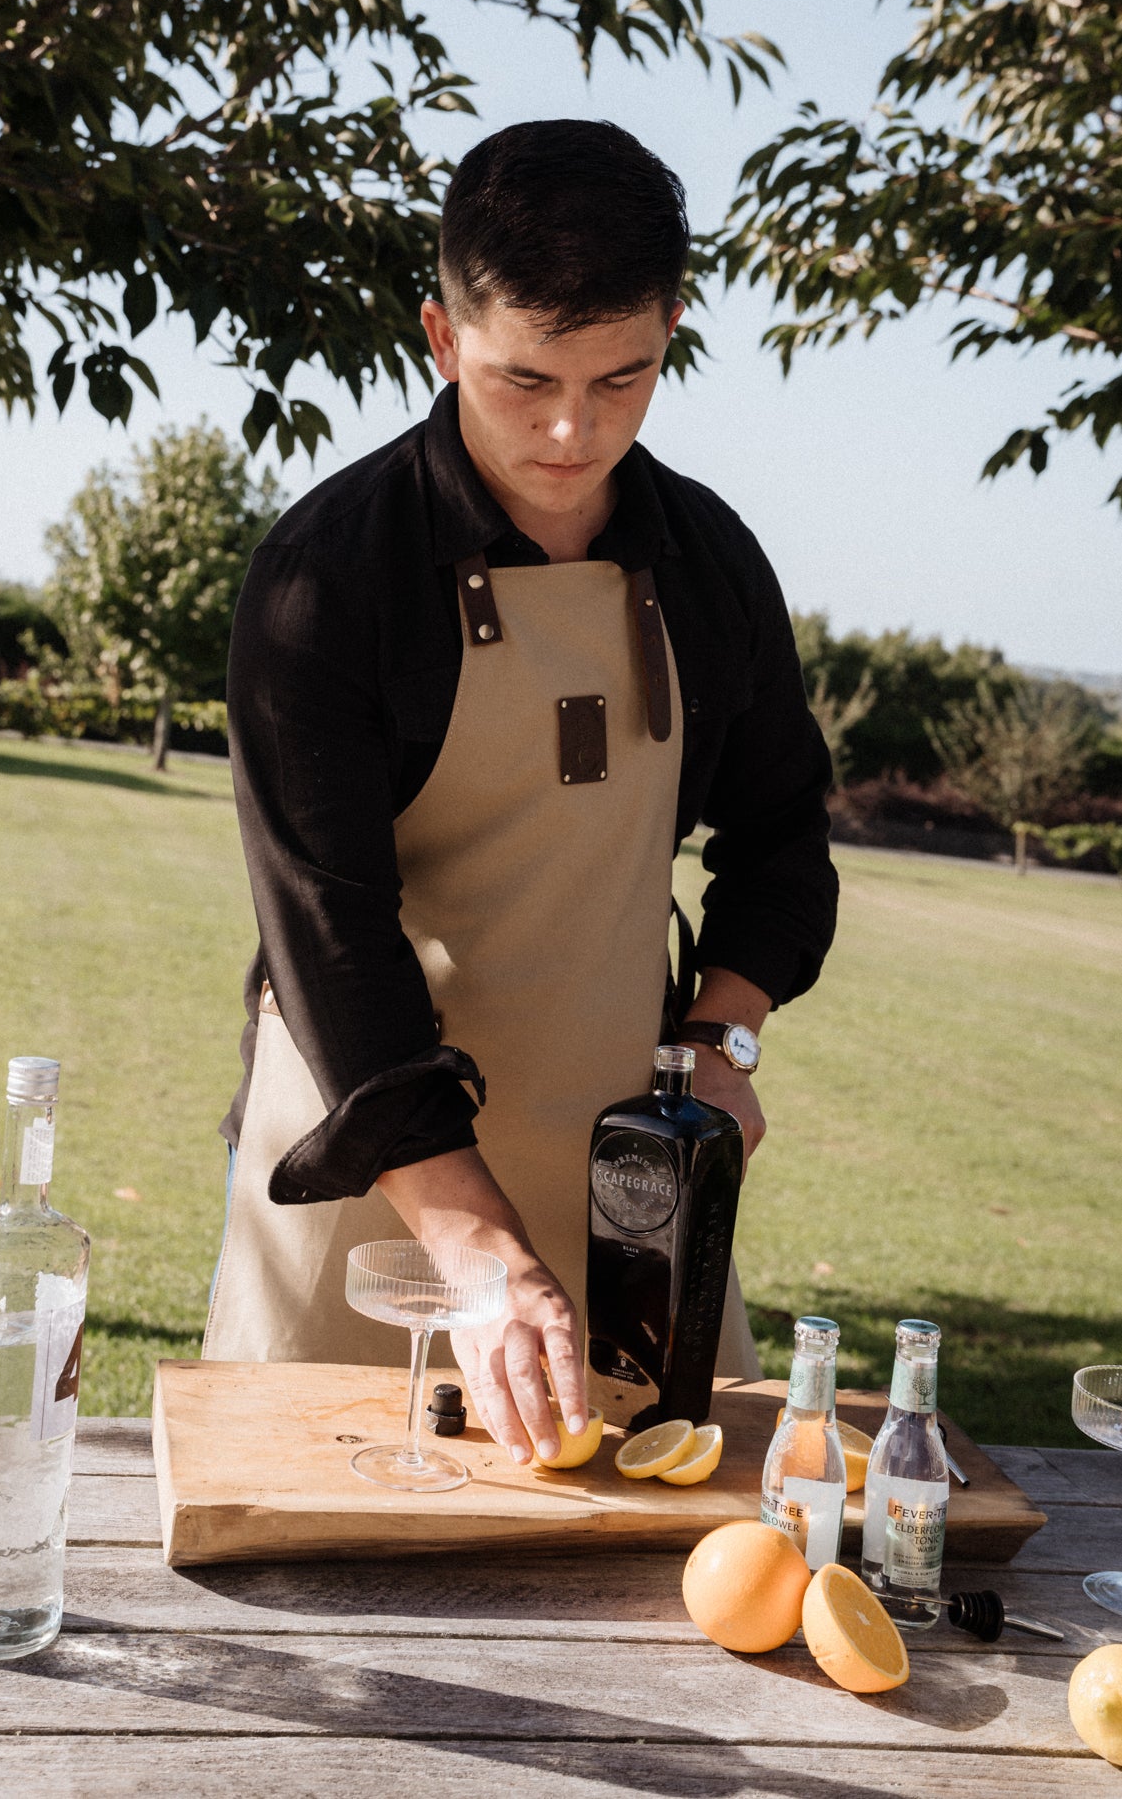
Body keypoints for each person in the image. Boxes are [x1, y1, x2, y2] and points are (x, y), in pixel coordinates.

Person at [203, 119, 838, 1465]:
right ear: (440, 335)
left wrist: (723, 1041)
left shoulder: (713, 565)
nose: (570, 428)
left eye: (624, 377)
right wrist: (480, 1250)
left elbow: (783, 834)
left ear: (673, 327)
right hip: (372, 1183)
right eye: (523, 378)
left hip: (636, 1179)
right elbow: (330, 935)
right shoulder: (325, 579)